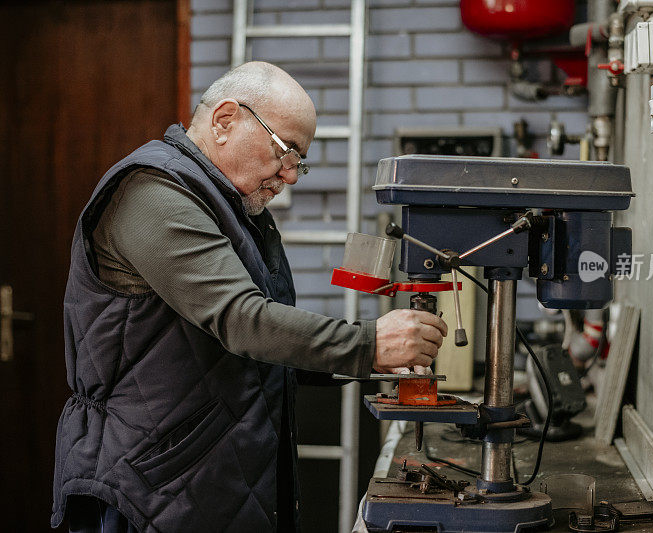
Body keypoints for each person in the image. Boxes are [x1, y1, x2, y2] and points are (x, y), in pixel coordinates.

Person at [51, 62, 447, 533]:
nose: (292, 175)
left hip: (205, 481)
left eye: (300, 160)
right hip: (145, 487)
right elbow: (242, 320)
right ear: (224, 121)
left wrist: (374, 359)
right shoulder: (153, 194)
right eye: (286, 150)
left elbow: (259, 348)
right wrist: (368, 343)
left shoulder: (228, 207)